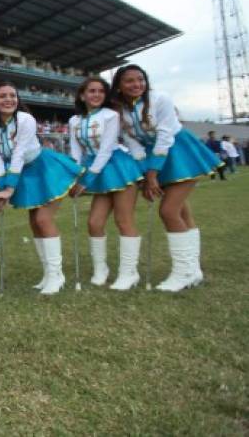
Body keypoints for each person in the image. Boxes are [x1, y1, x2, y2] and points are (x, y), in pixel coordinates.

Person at [111, 64, 222, 292]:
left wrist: (153, 173)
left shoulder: (160, 98)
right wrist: (145, 173)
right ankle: (193, 270)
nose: (136, 84)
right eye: (129, 81)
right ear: (119, 86)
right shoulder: (120, 110)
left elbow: (165, 135)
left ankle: (183, 273)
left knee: (168, 211)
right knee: (182, 211)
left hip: (179, 151)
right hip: (155, 158)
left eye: (140, 79)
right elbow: (133, 144)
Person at [0, 82, 82, 295]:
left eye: (12, 95)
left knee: (43, 219)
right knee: (34, 223)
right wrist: (2, 189)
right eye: (3, 96)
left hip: (45, 168)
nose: (9, 99)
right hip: (25, 174)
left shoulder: (25, 119)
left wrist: (10, 189)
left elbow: (18, 153)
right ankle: (48, 273)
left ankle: (57, 275)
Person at [67, 77, 144, 290]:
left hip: (117, 167)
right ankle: (101, 269)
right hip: (96, 171)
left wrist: (86, 180)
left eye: (101, 91)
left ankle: (129, 273)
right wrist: (74, 176)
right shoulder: (73, 121)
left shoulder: (111, 115)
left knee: (123, 220)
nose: (96, 95)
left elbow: (107, 149)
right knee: (94, 223)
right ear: (82, 95)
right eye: (91, 91)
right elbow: (75, 152)